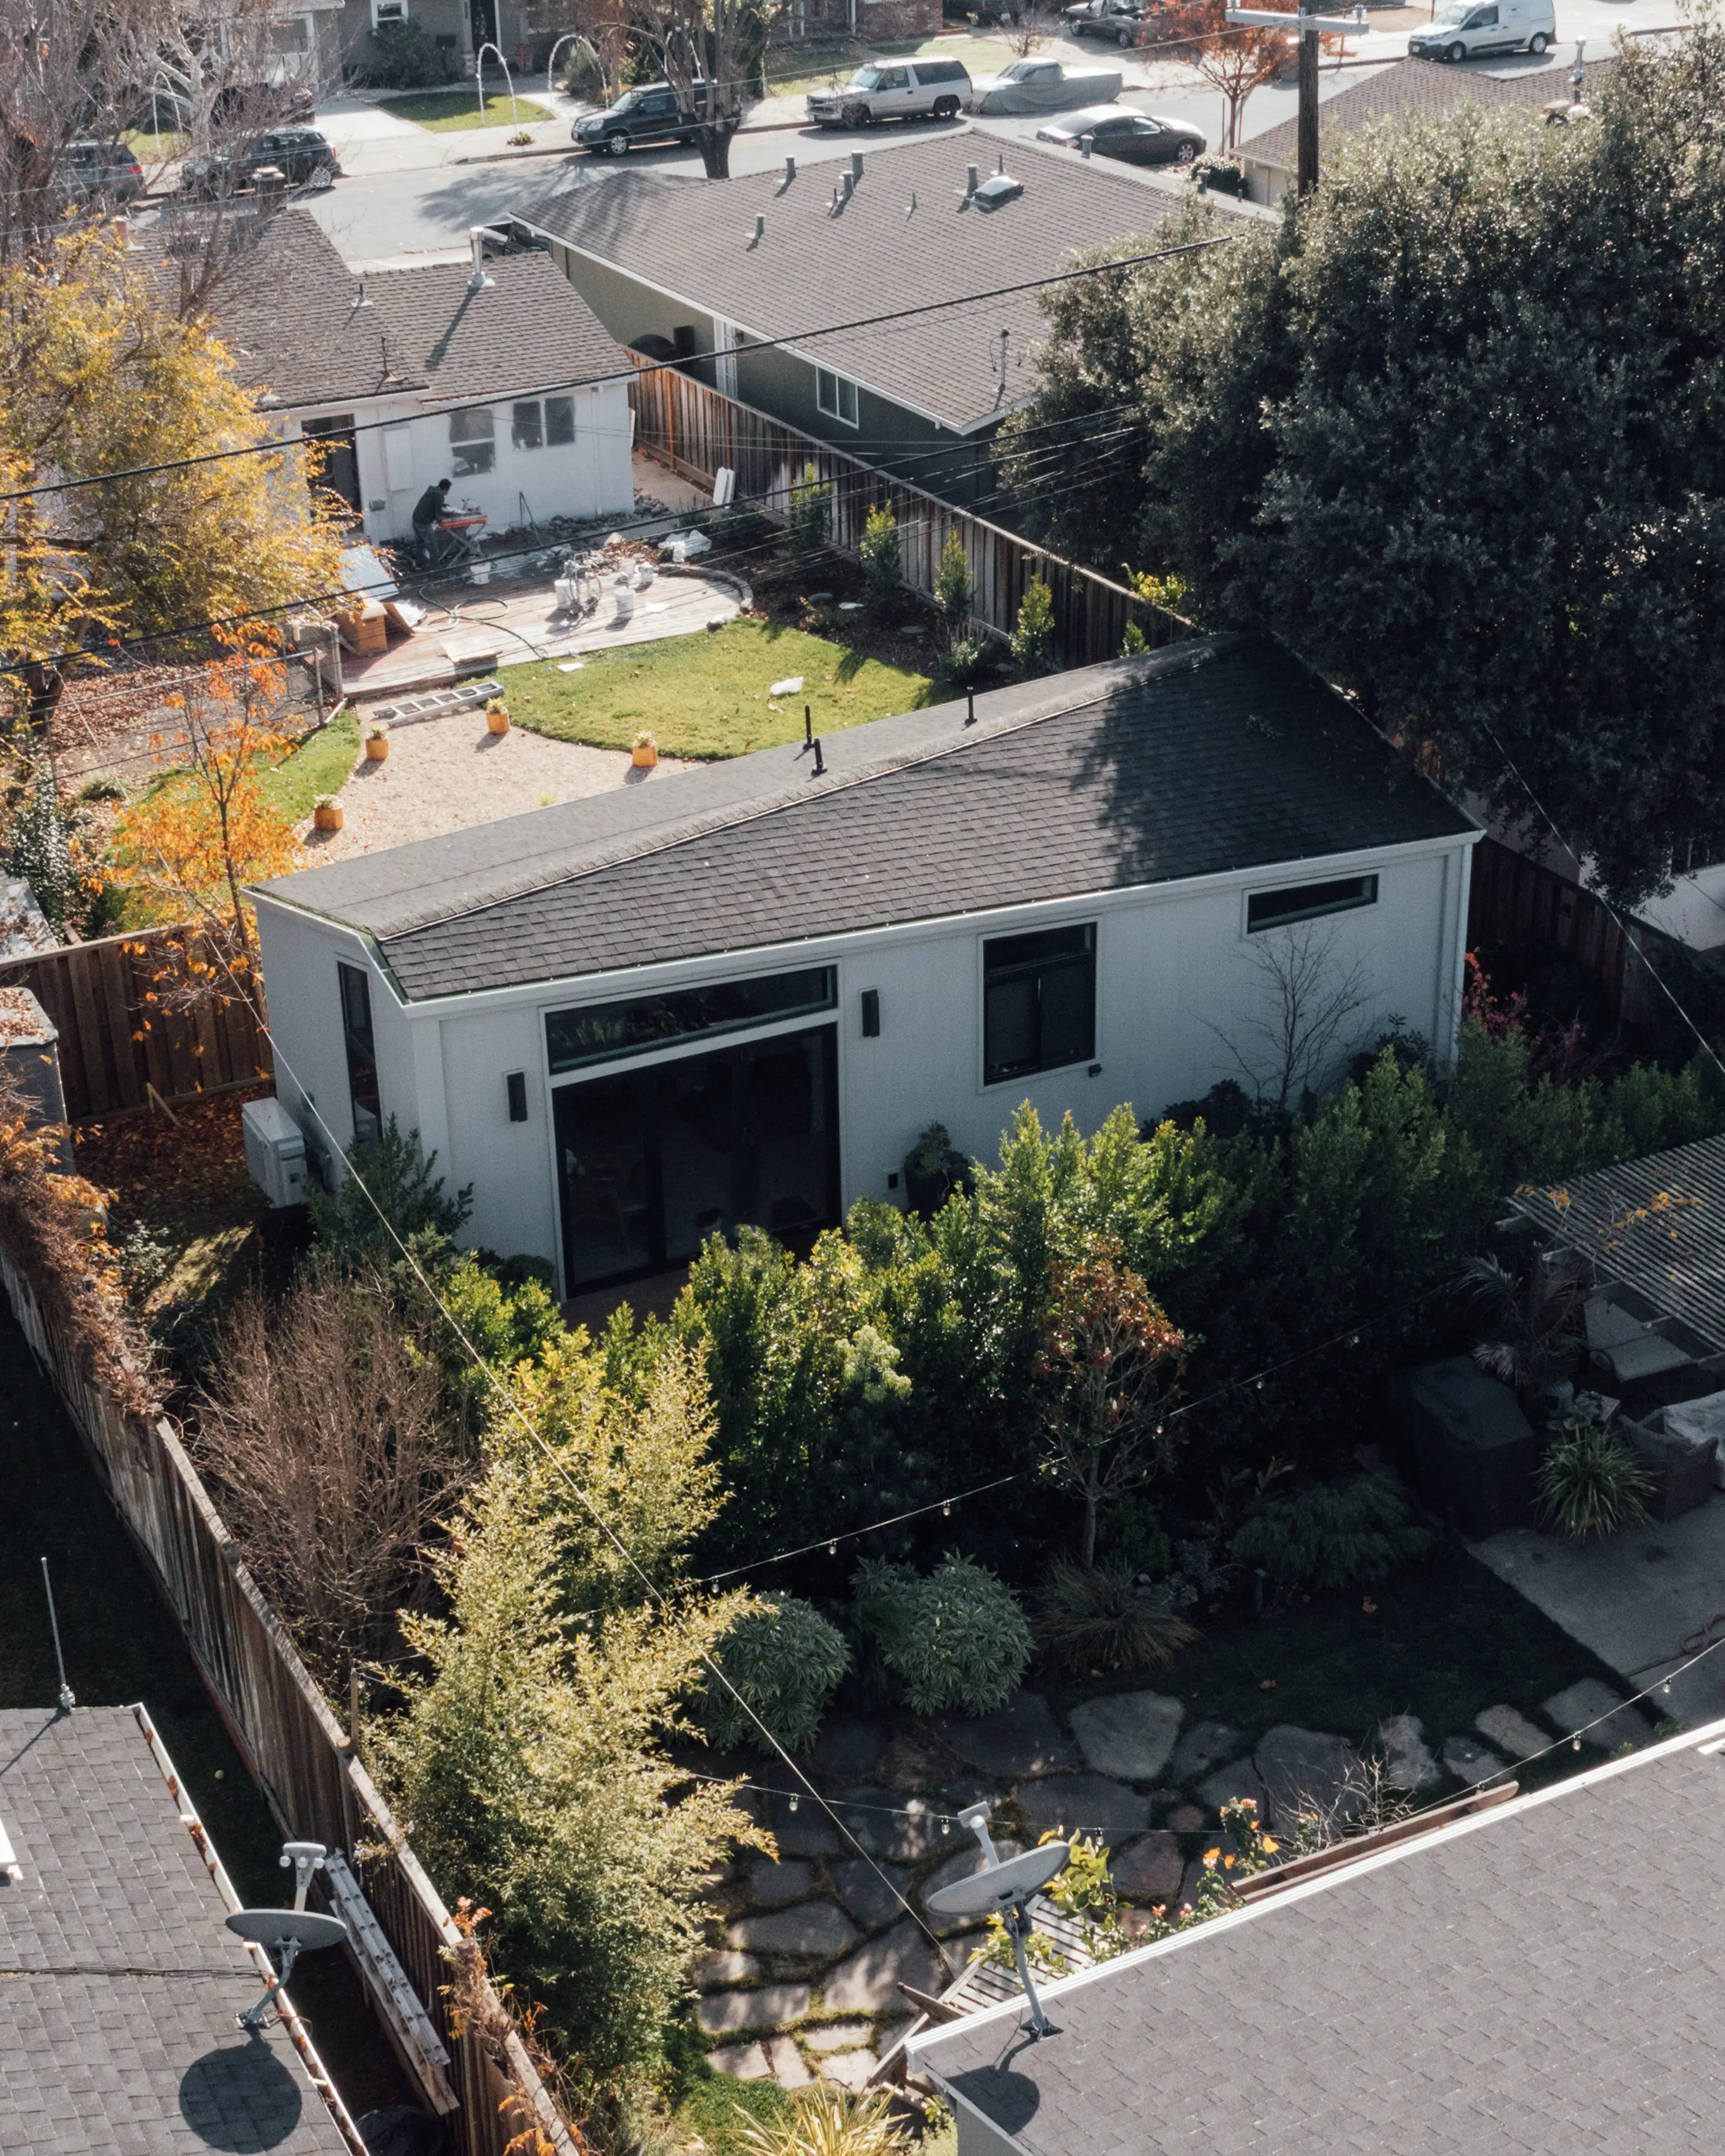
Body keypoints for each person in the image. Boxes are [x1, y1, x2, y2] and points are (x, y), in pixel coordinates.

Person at [411, 478, 452, 567]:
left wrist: (443, 505)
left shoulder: (432, 491)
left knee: (420, 545)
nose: (448, 492)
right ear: (446, 489)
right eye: (448, 490)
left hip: (415, 519)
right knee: (433, 546)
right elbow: (439, 513)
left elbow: (432, 504)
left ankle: (419, 564)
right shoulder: (440, 496)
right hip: (423, 522)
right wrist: (451, 515)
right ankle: (434, 568)